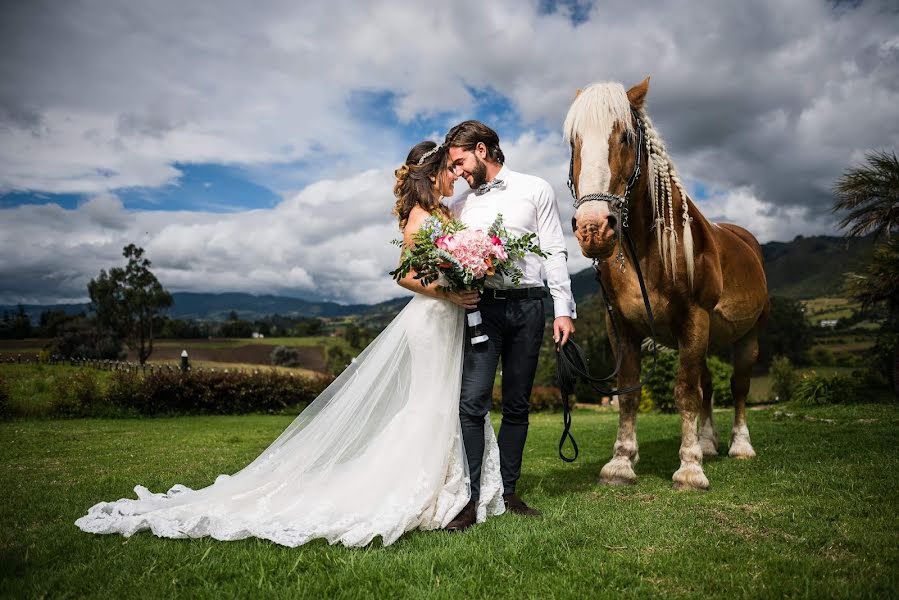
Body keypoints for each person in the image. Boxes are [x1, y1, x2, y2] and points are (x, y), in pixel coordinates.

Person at [74, 141, 505, 548]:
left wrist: (473, 269)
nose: (455, 174)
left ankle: (463, 488)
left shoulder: (445, 212)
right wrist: (450, 293)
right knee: (430, 402)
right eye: (449, 168)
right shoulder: (418, 218)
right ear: (432, 172)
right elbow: (404, 276)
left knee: (452, 401)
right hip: (431, 320)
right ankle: (424, 486)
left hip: (454, 319)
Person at [442, 121, 576, 532]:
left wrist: (562, 308)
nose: (458, 172)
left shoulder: (535, 189)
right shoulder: (460, 207)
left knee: (518, 402)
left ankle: (508, 491)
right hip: (483, 310)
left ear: (482, 150)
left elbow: (554, 249)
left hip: (530, 308)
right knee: (472, 402)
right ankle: (470, 498)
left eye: (460, 161)